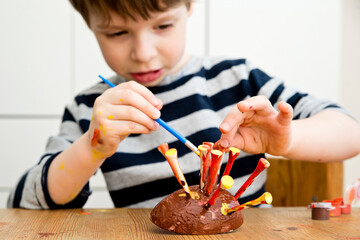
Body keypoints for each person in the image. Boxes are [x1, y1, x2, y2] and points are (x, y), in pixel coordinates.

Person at [7, 0, 360, 209]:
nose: (143, 53)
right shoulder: (92, 109)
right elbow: (23, 203)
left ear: (189, 6)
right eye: (117, 33)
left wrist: (287, 140)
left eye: (163, 25)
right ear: (90, 26)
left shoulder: (236, 78)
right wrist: (91, 147)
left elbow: (350, 132)